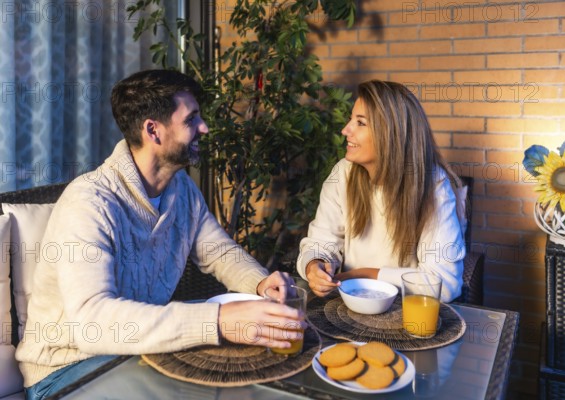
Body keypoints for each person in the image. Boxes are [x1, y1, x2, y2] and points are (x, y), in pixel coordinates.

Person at [16, 69, 303, 399]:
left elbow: (218, 252)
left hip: (140, 354)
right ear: (153, 130)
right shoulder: (90, 203)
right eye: (191, 119)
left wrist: (260, 283)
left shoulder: (180, 188)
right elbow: (92, 323)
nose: (204, 128)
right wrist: (220, 320)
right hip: (67, 371)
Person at [296, 80, 466, 303]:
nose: (345, 130)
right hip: (348, 307)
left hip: (405, 314)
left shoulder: (434, 185)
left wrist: (362, 275)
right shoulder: (343, 173)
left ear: (390, 133)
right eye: (351, 120)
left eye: (360, 123)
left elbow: (445, 283)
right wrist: (314, 265)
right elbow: (320, 242)